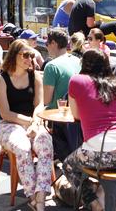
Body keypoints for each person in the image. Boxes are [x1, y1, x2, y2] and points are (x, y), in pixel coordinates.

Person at [63, 49, 116, 211]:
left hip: (101, 154)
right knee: (93, 157)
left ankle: (93, 203)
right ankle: (105, 195)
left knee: (68, 166)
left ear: (84, 64)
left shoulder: (77, 81)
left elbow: (76, 115)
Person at [0, 39, 53, 211]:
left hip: (33, 121)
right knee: (23, 147)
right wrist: (31, 122)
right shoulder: (2, 79)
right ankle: (32, 195)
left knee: (45, 144)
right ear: (14, 55)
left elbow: (39, 105)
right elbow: (5, 113)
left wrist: (35, 122)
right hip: (9, 124)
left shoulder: (35, 76)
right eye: (26, 55)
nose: (30, 59)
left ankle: (40, 197)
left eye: (32, 55)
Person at [43, 29, 82, 160]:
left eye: (46, 43)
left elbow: (47, 100)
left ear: (53, 43)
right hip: (78, 116)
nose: (46, 46)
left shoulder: (51, 66)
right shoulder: (78, 61)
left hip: (58, 120)